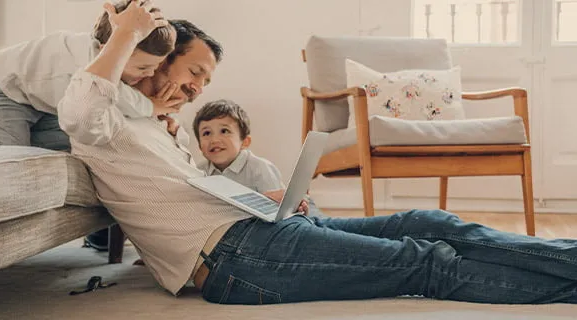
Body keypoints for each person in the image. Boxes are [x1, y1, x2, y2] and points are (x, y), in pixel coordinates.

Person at [59, 12, 577, 305]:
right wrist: (126, 33)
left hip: (255, 231)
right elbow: (82, 109)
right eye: (194, 72)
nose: (196, 89)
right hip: (233, 261)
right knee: (424, 260)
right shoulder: (101, 121)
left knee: (429, 220)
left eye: (205, 82)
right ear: (152, 60)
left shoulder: (153, 129)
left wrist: (258, 198)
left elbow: (190, 199)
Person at [0, 0, 177, 251]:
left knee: (82, 146)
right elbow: (119, 98)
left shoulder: (97, 55)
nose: (149, 75)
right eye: (142, 69)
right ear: (110, 47)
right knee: (9, 148)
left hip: (38, 104)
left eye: (155, 68)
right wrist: (155, 106)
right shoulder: (85, 64)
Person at [192, 99, 322, 216]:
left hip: (300, 211)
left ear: (245, 142)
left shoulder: (260, 168)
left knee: (324, 226)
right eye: (206, 133)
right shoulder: (198, 172)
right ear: (200, 147)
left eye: (224, 131)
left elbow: (276, 206)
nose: (214, 139)